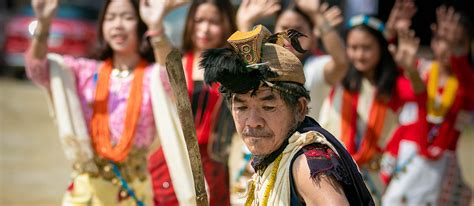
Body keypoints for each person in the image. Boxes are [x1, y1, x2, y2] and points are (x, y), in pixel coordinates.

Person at [24, 0, 190, 205]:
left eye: (127, 17)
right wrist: (44, 22)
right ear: (102, 26)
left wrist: (156, 26)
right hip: (87, 195)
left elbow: (174, 78)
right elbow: (38, 69)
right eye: (110, 18)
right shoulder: (84, 72)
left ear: (140, 24)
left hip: (132, 194)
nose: (118, 25)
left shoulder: (152, 77)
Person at [201, 24, 374, 205]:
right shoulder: (276, 155)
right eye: (242, 108)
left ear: (299, 109)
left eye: (268, 107)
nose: (252, 122)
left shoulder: (307, 166)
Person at [315, 14, 425, 201]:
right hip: (335, 168)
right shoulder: (340, 77)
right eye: (353, 48)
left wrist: (411, 71)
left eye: (367, 48)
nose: (359, 54)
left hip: (375, 176)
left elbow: (419, 97)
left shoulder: (392, 85)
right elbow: (338, 59)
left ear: (381, 48)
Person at [381, 6, 474, 205]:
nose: (447, 48)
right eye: (441, 39)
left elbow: (467, 90)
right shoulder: (418, 69)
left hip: (440, 169)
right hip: (407, 157)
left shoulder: (465, 84)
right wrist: (391, 35)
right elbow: (390, 76)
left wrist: (459, 58)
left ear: (467, 47)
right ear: (432, 40)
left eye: (458, 43)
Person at [147, 0, 237, 205]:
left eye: (213, 21)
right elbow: (162, 54)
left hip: (211, 165)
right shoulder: (178, 61)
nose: (204, 29)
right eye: (199, 20)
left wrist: (246, 22)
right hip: (172, 158)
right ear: (189, 23)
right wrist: (158, 19)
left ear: (226, 24)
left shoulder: (231, 66)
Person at [236, 0, 349, 116]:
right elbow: (249, 70)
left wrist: (317, 15)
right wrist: (245, 23)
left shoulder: (314, 67)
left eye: (298, 29)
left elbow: (341, 63)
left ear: (312, 34)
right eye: (284, 27)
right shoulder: (265, 62)